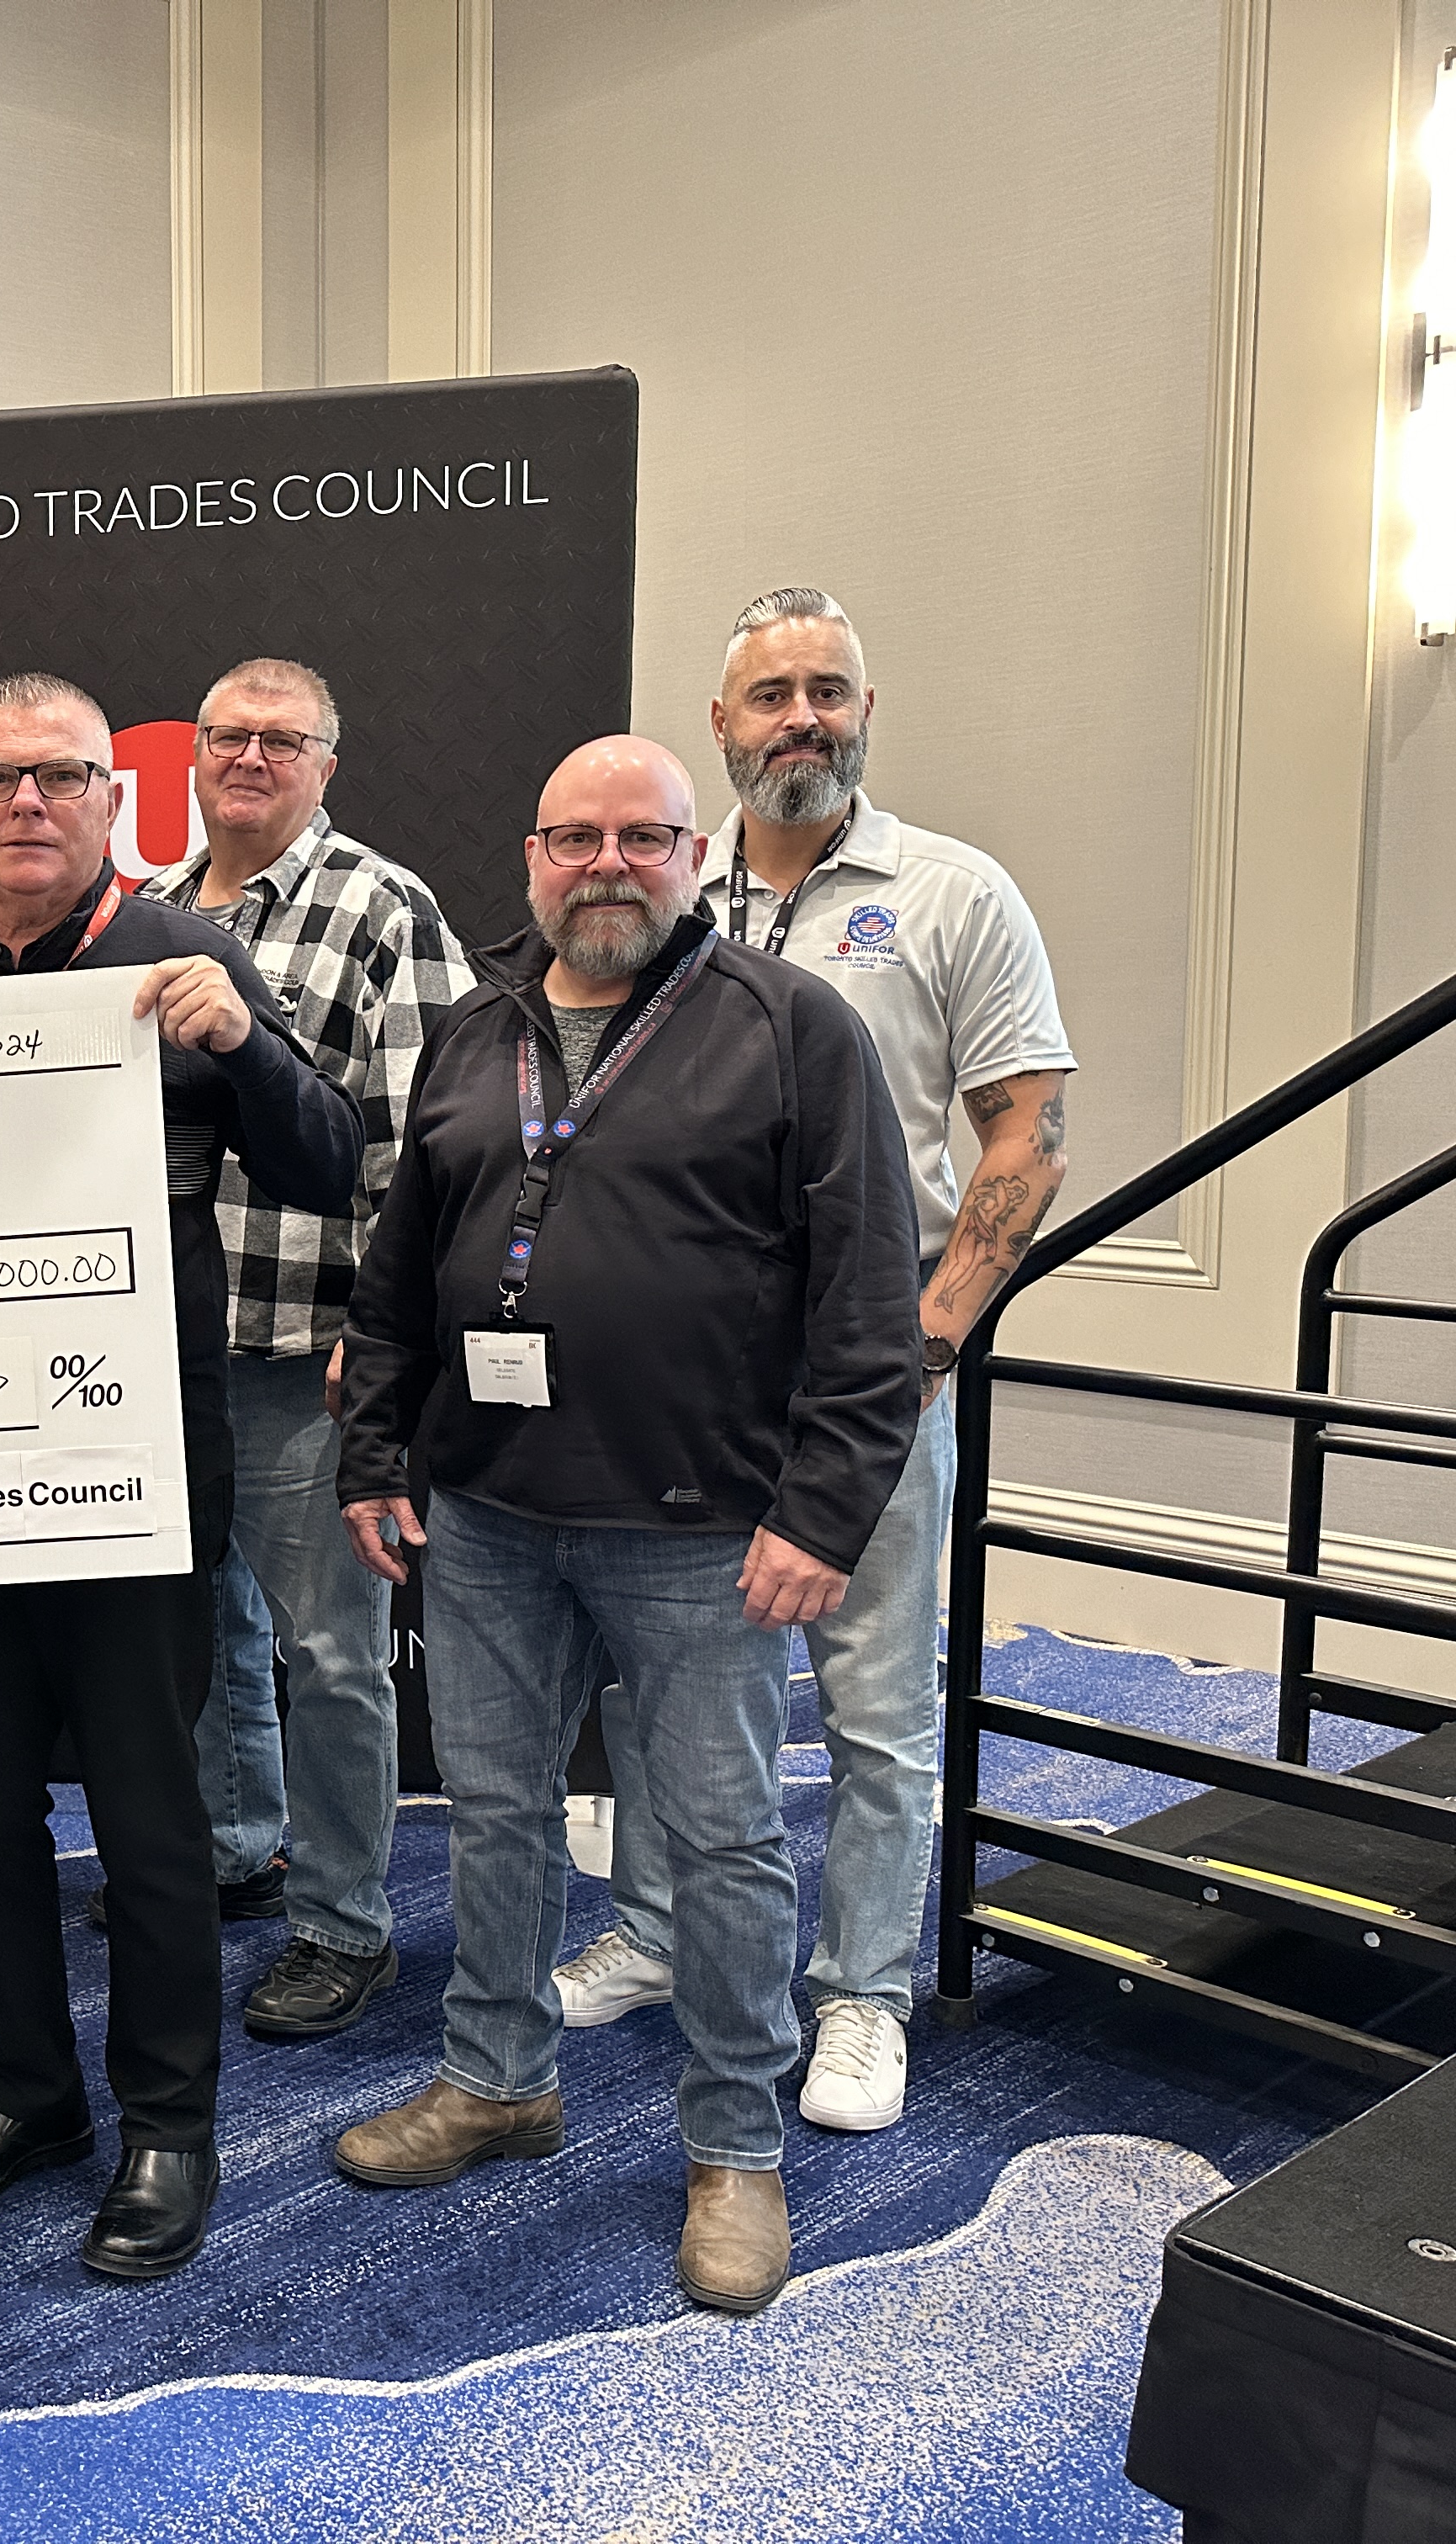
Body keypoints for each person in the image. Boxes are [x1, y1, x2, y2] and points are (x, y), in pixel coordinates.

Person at [328, 734, 919, 2316]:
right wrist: (375, 1452)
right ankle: (497, 2080)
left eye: (643, 837)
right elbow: (400, 1276)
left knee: (722, 1840)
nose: (607, 865)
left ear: (692, 856)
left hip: (704, 1527)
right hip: (488, 1516)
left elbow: (870, 1297)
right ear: (531, 856)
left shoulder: (790, 1027)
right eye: (574, 837)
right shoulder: (477, 1033)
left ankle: (735, 2146)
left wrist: (824, 1514)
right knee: (497, 1812)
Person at [553, 591, 1074, 2134]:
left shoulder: (953, 893)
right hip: (688, 1381)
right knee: (666, 1680)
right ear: (721, 724)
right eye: (771, 694)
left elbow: (1028, 1135)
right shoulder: (663, 882)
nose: (801, 718)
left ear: (865, 709)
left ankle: (860, 1996)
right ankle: (656, 1932)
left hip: (871, 1374)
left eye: (827, 690)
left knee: (873, 1702)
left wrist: (928, 1341)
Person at [0, 674, 361, 2282]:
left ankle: (169, 2121)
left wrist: (252, 1051)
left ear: (110, 803)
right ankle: (30, 2089)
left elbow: (328, 1161)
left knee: (152, 1810)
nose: (30, 802)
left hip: (136, 1458)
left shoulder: (180, 954)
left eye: (63, 777)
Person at [138, 656, 469, 2039]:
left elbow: (430, 1144)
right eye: (229, 735)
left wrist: (382, 1340)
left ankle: (344, 1922)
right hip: (163, 1348)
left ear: (327, 763)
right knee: (206, 1625)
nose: (251, 758)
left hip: (306, 1344)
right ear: (194, 755)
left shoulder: (383, 907)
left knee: (332, 1653)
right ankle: (236, 1850)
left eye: (284, 741)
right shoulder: (150, 910)